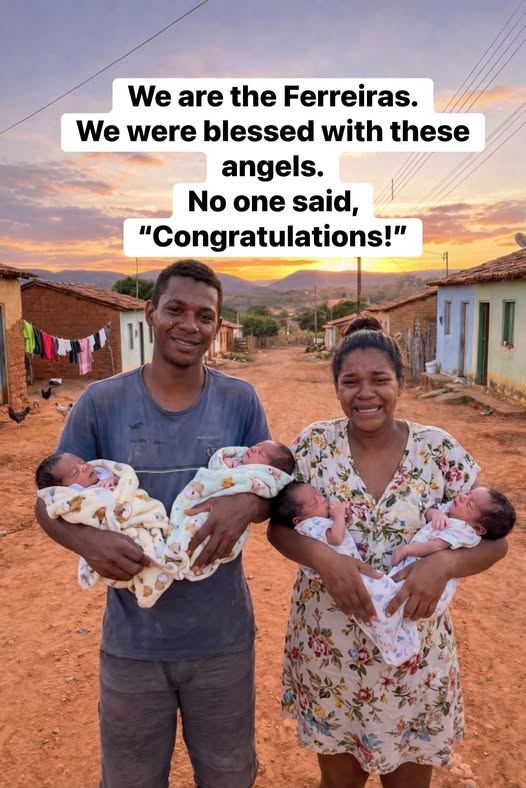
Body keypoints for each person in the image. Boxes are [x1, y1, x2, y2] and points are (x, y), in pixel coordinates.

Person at [35, 259, 271, 788]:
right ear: (150, 313)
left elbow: (273, 489)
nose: (190, 325)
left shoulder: (240, 400)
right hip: (133, 644)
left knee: (229, 775)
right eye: (176, 310)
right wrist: (87, 541)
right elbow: (47, 503)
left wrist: (247, 505)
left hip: (222, 639)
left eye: (204, 316)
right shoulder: (101, 403)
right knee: (131, 778)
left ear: (217, 324)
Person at [268, 316, 508, 788]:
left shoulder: (439, 450)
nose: (366, 393)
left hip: (415, 660)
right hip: (331, 650)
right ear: (336, 386)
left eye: (379, 379)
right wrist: (324, 559)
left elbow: (495, 541)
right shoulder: (314, 446)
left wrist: (447, 562)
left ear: (401, 381)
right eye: (350, 381)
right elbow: (278, 529)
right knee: (339, 784)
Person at [391, 486, 516, 566]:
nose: (462, 497)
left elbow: (436, 546)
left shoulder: (464, 531)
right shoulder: (451, 510)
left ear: (478, 529)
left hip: (420, 568)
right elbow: (428, 511)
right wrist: (435, 514)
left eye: (469, 505)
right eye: (467, 493)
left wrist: (406, 550)